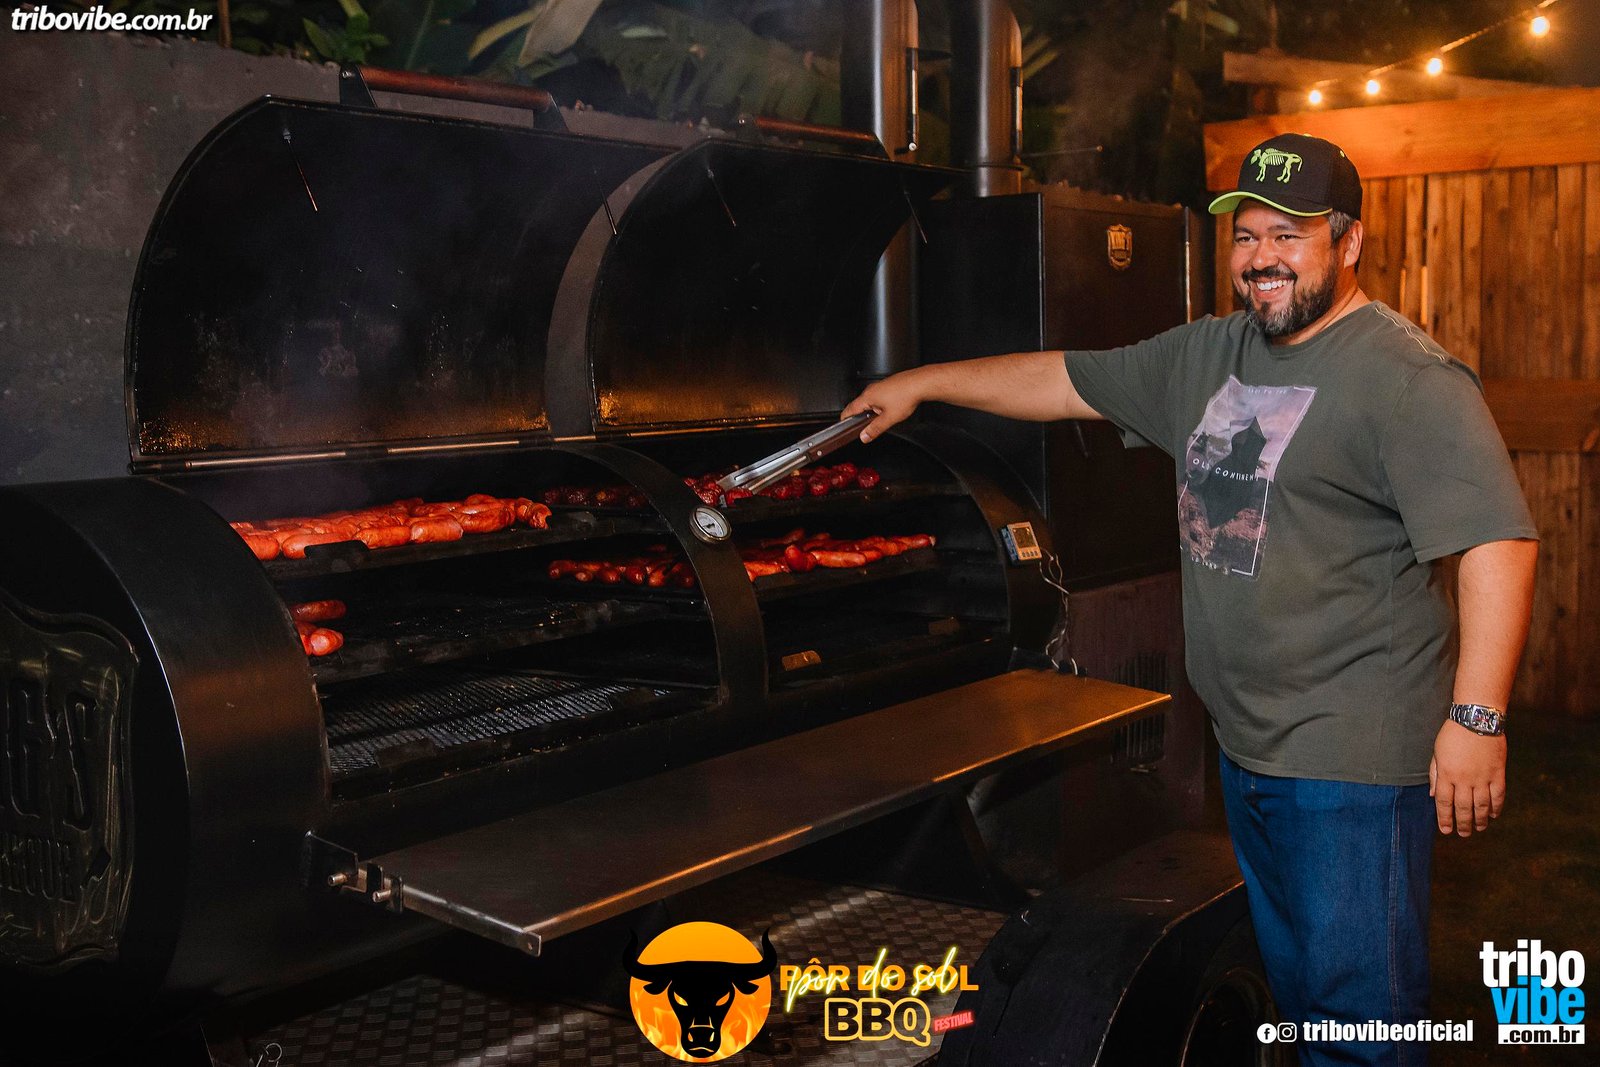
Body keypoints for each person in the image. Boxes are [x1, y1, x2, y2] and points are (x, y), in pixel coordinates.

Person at [843, 132, 1538, 1066]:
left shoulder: (1407, 377)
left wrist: (1477, 718)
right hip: (1247, 749)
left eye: (1288, 235)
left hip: (1353, 764)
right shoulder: (1210, 355)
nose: (1261, 257)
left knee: (1360, 1024)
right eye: (1246, 235)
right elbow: (1063, 379)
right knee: (1303, 1004)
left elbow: (1497, 541)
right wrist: (921, 384)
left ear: (1349, 241)